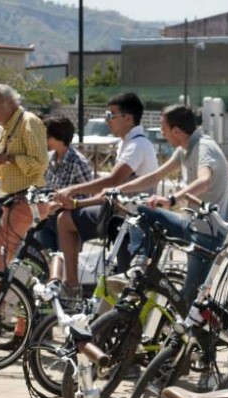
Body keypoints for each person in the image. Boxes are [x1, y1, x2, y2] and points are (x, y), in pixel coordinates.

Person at [99, 103, 228, 308]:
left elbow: (204, 180)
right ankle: (139, 267)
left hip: (208, 234)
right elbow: (156, 176)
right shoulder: (183, 150)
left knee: (190, 300)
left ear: (177, 131)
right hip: (190, 223)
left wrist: (172, 200)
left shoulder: (204, 147)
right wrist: (119, 189)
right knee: (143, 212)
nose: (162, 134)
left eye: (164, 129)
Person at [52, 92, 158, 295]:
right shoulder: (128, 143)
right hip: (119, 214)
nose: (106, 120)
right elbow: (110, 191)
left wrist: (73, 191)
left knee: (129, 287)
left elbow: (112, 181)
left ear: (127, 118)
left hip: (131, 219)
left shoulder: (137, 145)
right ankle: (72, 285)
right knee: (65, 219)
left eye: (110, 115)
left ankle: (71, 286)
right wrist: (76, 203)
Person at [0, 84, 48, 317]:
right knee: (13, 262)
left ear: (9, 103)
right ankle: (18, 319)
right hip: (15, 200)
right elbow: (3, 170)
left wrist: (6, 157)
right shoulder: (7, 128)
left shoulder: (28, 122)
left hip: (28, 199)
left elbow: (38, 162)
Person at [35, 115, 93, 253]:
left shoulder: (78, 162)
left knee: (66, 265)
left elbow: (89, 196)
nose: (44, 141)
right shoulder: (49, 158)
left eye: (47, 137)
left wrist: (62, 203)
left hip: (69, 221)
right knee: (45, 262)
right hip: (47, 219)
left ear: (59, 137)